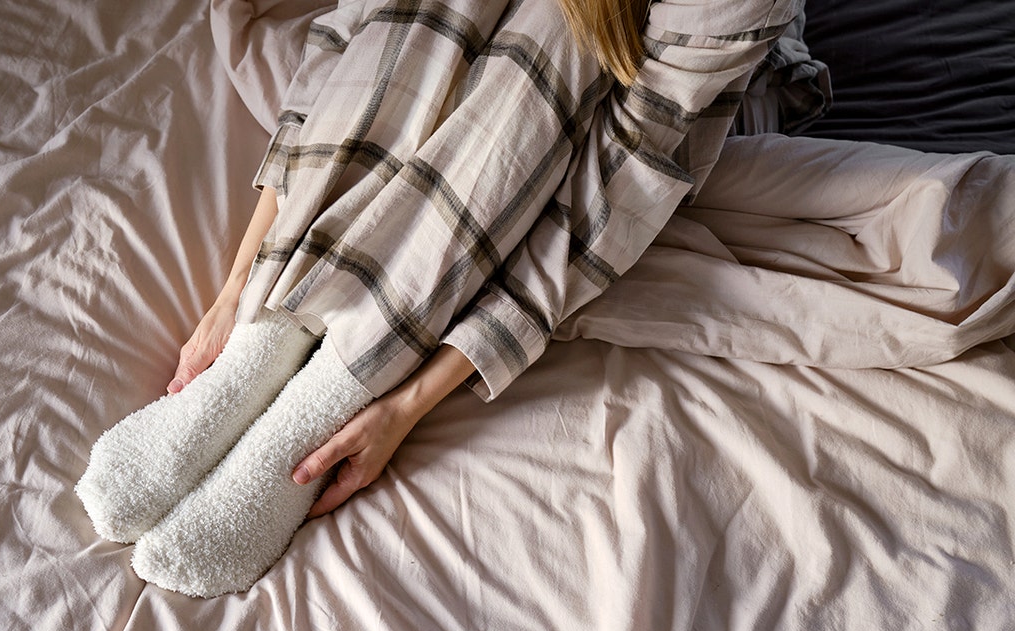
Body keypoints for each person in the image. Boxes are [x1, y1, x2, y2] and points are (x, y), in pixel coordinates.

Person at [76, 0, 804, 597]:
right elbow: (350, 39)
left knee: (559, 38)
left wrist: (404, 405)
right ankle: (262, 342)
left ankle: (328, 390)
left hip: (671, 104)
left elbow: (607, 200)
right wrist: (240, 287)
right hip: (414, 128)